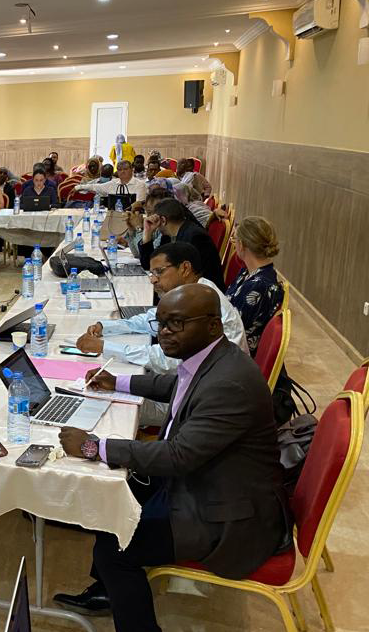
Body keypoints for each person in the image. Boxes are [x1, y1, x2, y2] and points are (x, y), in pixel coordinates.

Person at [56, 283, 290, 632]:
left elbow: (178, 456)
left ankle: (122, 595)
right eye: (162, 323)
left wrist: (94, 446)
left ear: (213, 325)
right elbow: (175, 386)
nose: (165, 332)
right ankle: (110, 589)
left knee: (114, 547)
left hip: (226, 516)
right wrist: (117, 381)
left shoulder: (229, 383)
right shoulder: (214, 358)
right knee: (112, 502)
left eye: (177, 323)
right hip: (207, 482)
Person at [76, 241, 246, 374]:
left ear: (185, 268)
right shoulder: (194, 291)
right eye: (152, 273)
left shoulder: (200, 303)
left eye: (159, 272)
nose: (153, 280)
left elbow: (167, 360)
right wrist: (105, 326)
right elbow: (151, 319)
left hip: (211, 391)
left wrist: (105, 347)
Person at [226, 217, 285, 355]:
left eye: (235, 240)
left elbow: (235, 334)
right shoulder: (249, 272)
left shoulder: (258, 286)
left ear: (242, 245)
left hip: (237, 356)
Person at [139, 199, 225, 290]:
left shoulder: (195, 237)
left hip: (203, 293)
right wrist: (147, 233)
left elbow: (193, 277)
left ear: (163, 220)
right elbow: (149, 264)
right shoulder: (168, 237)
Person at [74, 159, 148, 204]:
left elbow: (139, 204)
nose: (122, 172)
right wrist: (78, 187)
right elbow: (95, 187)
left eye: (125, 169)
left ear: (132, 170)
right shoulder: (113, 183)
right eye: (120, 169)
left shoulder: (140, 185)